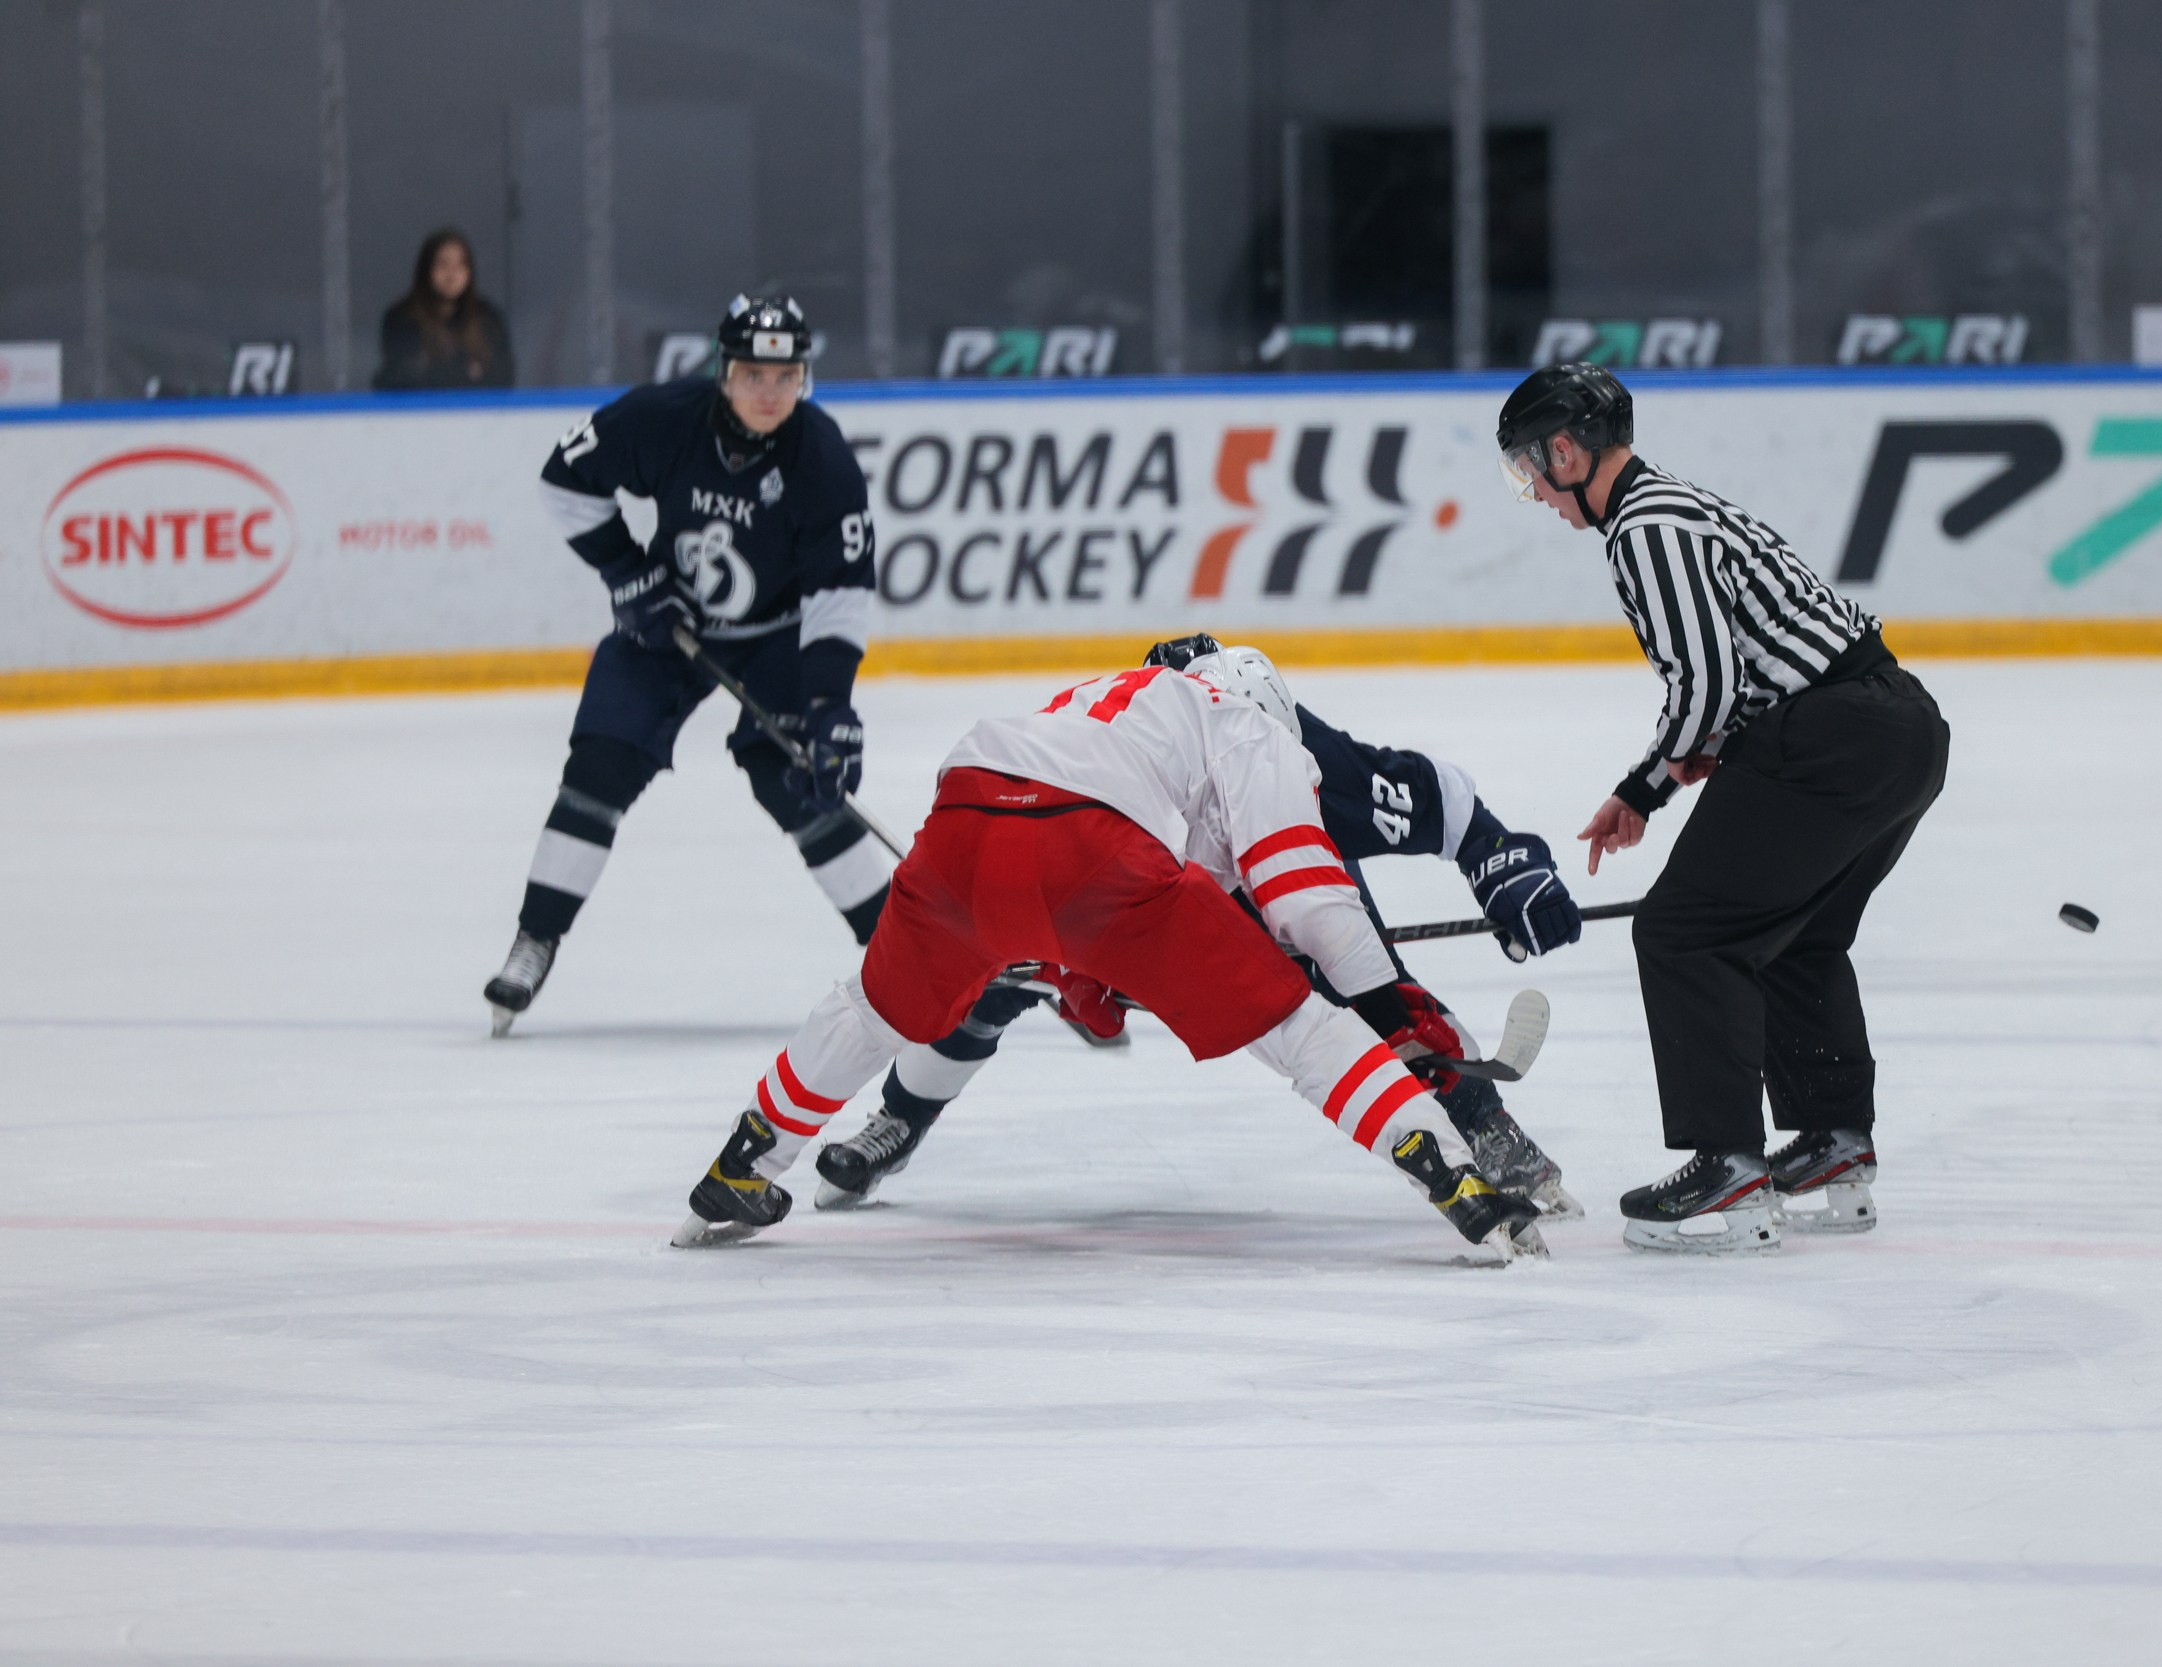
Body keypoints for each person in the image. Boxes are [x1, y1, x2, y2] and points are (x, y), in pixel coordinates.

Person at [669, 653, 1550, 1263]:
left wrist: (1075, 955)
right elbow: (1311, 904)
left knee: (872, 1009)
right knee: (1298, 1026)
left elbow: (1049, 841)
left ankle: (743, 1160)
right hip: (1097, 855)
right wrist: (1397, 1013)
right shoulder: (1252, 727)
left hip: (966, 816)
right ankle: (1451, 1173)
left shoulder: (1104, 697)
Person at [1495, 362, 1950, 1255]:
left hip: (1829, 737)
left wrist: (1644, 788)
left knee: (1684, 933)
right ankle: (1834, 1140)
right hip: (1900, 729)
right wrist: (1656, 782)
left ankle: (1729, 1163)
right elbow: (1731, 691)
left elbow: (1707, 684)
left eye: (1528, 469)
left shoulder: (1645, 527)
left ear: (1565, 451)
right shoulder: (1673, 506)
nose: (1535, 492)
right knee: (1794, 932)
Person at [482, 294, 884, 1034]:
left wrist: (830, 704)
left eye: (786, 376)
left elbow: (839, 594)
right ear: (724, 372)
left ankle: (902, 954)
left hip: (777, 635)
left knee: (800, 782)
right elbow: (562, 480)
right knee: (600, 765)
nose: (770, 392)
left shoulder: (822, 459)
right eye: (753, 374)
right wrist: (628, 573)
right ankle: (535, 938)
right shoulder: (664, 419)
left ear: (805, 378)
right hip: (671, 623)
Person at [374, 229, 513, 390]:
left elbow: (503, 375)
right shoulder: (402, 320)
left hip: (477, 406)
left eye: (460, 265)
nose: (451, 275)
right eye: (442, 264)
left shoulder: (487, 319)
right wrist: (465, 372)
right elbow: (401, 376)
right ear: (426, 268)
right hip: (422, 405)